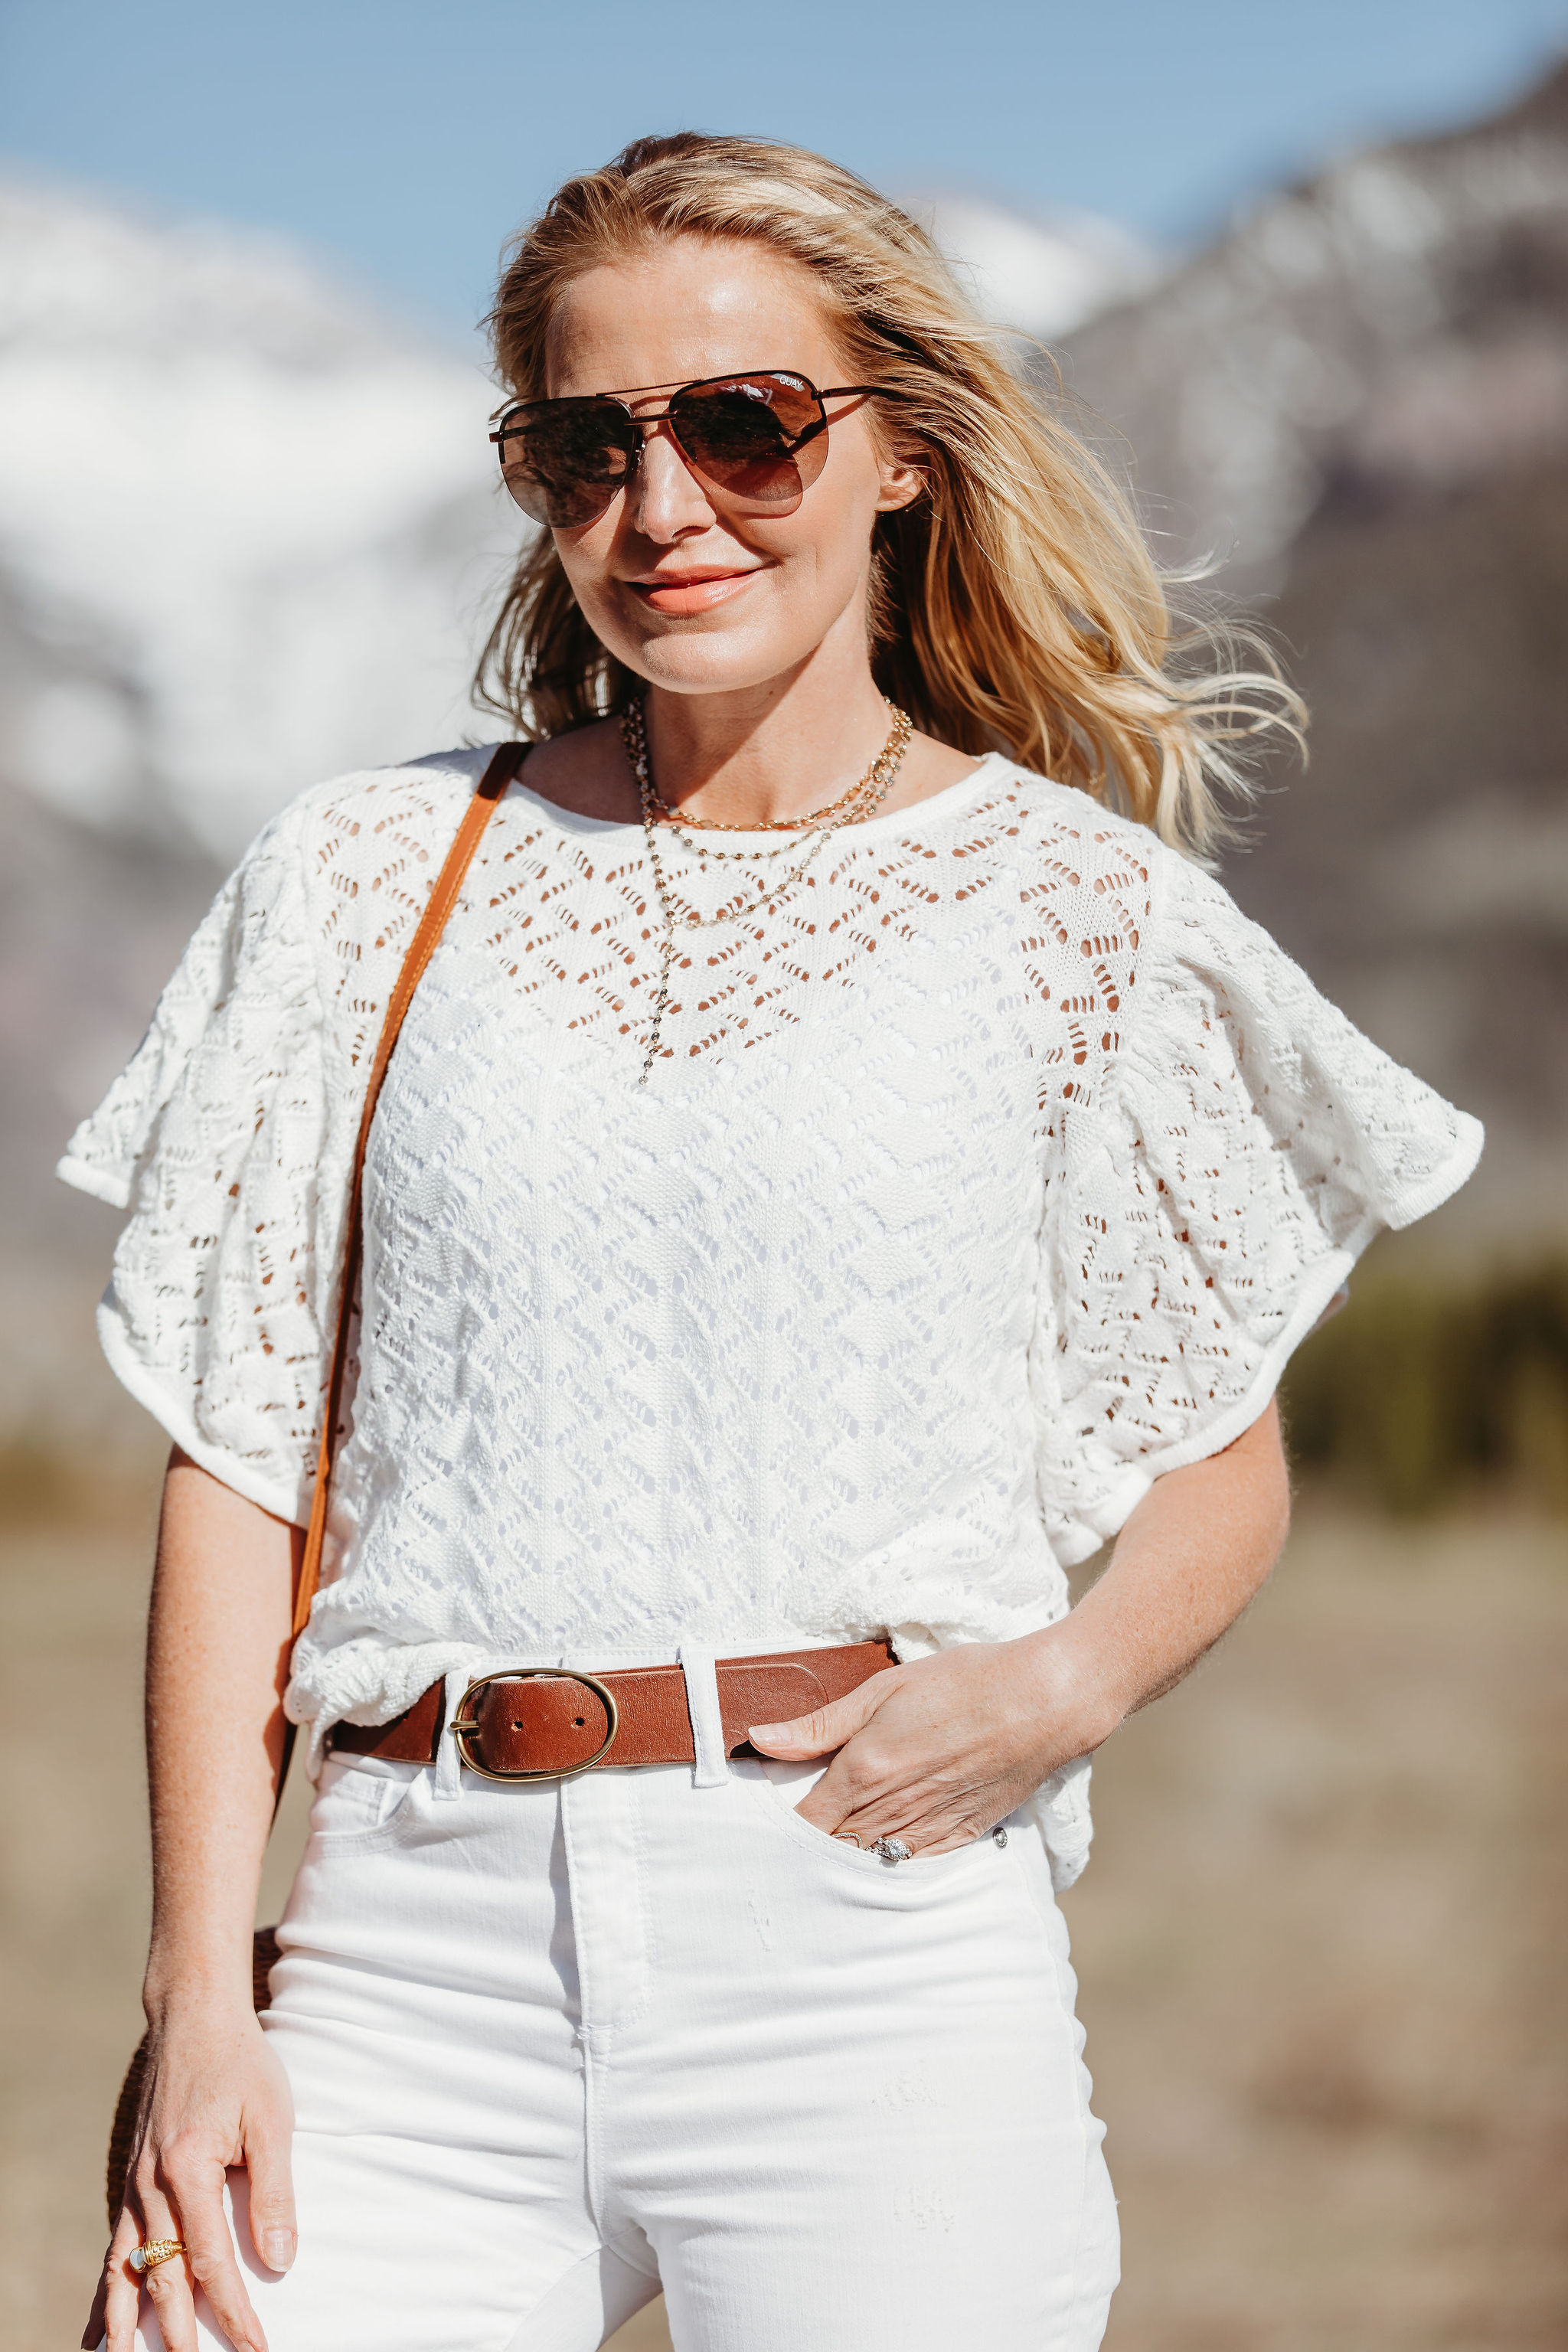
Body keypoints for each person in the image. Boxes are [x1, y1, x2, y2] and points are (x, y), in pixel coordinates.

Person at [67, 132, 1481, 2352]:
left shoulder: (1074, 918)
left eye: (744, 423)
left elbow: (1218, 1458)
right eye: (583, 442)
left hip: (870, 1948)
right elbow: (243, 1457)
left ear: (900, 446)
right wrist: (197, 1997)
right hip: (397, 1956)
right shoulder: (363, 879)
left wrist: (1059, 1689)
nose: (665, 506)